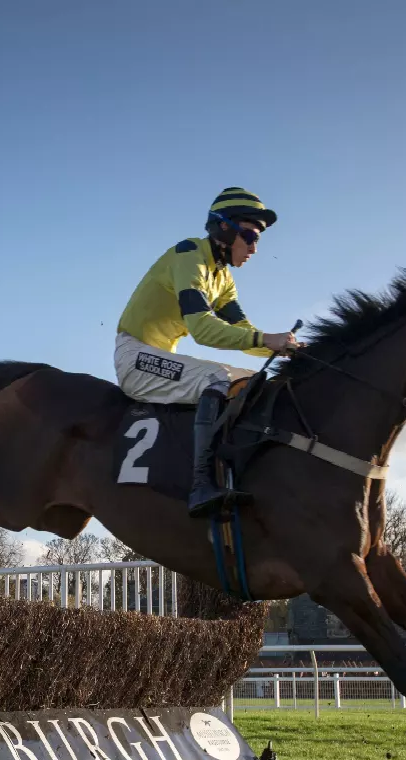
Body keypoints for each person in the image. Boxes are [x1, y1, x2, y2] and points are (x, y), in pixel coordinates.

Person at [114, 187, 299, 517]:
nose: (254, 248)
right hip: (135, 357)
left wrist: (285, 348)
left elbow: (245, 333)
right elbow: (201, 329)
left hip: (162, 360)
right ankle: (200, 485)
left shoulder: (224, 279)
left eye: (258, 240)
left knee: (255, 382)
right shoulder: (189, 255)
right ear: (224, 228)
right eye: (249, 236)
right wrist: (267, 339)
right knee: (217, 376)